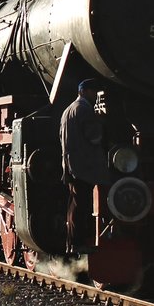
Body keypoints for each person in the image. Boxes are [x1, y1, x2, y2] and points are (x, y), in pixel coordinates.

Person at [59, 78, 105, 254]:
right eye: (93, 92)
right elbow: (95, 137)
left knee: (74, 204)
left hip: (71, 164)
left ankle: (72, 243)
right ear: (84, 91)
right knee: (81, 205)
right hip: (84, 166)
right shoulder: (85, 110)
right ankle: (78, 243)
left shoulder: (68, 110)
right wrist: (102, 122)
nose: (96, 96)